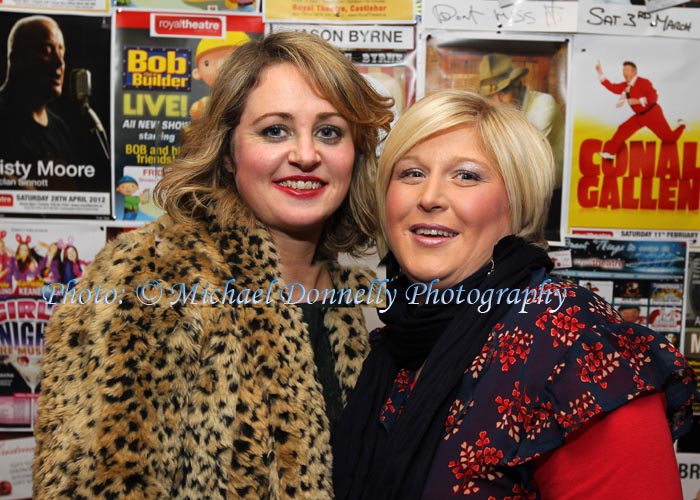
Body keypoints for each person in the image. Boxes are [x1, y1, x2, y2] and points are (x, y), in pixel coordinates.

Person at [33, 31, 394, 499]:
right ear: (227, 153)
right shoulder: (153, 276)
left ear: (354, 153)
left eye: (329, 131)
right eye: (274, 130)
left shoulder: (370, 307)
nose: (306, 155)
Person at [333, 90, 697, 500]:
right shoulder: (399, 340)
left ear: (517, 200)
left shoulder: (576, 344)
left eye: (467, 175)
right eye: (411, 173)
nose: (429, 197)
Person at [478, 53, 565, 240]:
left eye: (503, 92)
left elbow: (522, 152)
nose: (497, 102)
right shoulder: (499, 111)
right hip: (514, 193)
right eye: (490, 96)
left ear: (517, 86)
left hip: (551, 197)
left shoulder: (543, 104)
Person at [0, 16, 77, 167]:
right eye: (47, 50)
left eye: (61, 53)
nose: (59, 62)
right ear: (16, 58)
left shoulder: (60, 129)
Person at [595, 60, 685, 160]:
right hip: (639, 116)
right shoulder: (625, 85)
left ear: (634, 72)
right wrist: (600, 73)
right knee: (623, 129)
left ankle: (682, 126)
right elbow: (613, 87)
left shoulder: (644, 82)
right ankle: (610, 153)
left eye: (627, 70)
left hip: (653, 114)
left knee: (669, 139)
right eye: (623, 70)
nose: (624, 72)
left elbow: (653, 97)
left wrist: (637, 101)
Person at [189, 31, 251, 120]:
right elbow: (196, 112)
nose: (220, 66)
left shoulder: (252, 96)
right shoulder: (207, 103)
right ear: (197, 73)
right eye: (207, 63)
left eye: (234, 59)